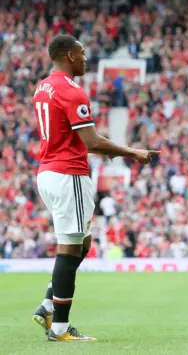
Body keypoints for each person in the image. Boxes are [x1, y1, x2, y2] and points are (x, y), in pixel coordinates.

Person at [32, 35, 159, 342]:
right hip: (68, 174)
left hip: (49, 172)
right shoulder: (72, 90)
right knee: (70, 248)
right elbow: (91, 142)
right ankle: (59, 328)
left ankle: (48, 305)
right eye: (82, 53)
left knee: (83, 242)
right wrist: (133, 152)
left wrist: (108, 149)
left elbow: (80, 137)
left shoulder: (44, 86)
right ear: (70, 56)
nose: (86, 58)